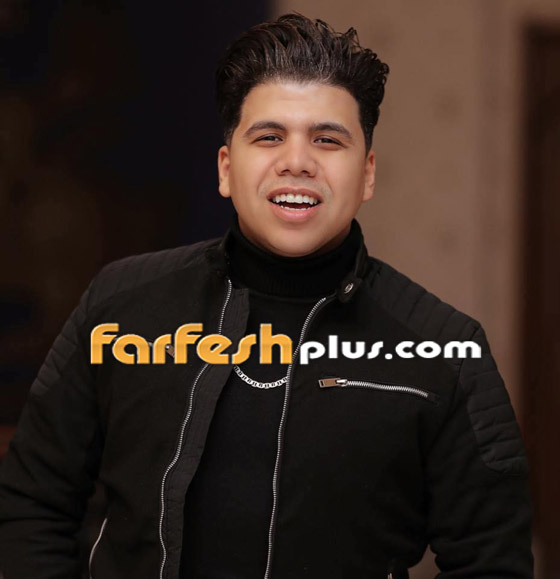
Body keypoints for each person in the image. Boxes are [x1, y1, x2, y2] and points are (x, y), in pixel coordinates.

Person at [0, 13, 533, 579]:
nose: (297, 162)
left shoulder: (445, 351)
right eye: (269, 137)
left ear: (367, 174)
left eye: (327, 140)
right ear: (226, 168)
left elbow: (491, 561)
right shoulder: (120, 305)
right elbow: (32, 505)